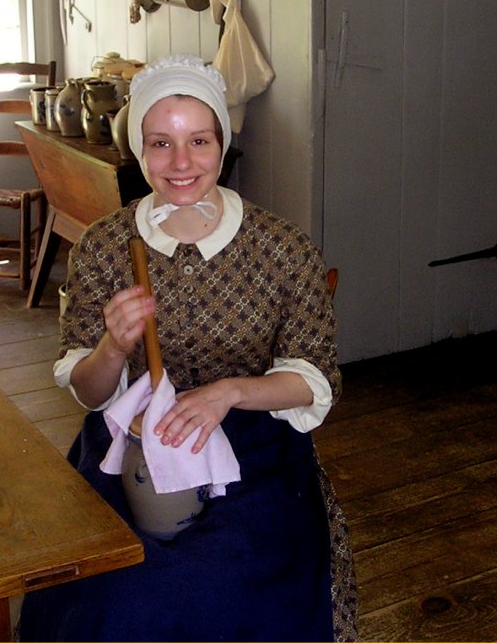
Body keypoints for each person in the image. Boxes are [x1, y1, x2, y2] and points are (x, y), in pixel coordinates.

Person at [19, 54, 357, 642]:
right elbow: (87, 391)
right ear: (139, 150)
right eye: (160, 143)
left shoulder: (281, 248)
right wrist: (110, 348)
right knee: (110, 595)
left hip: (254, 449)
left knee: (211, 585)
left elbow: (313, 378)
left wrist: (227, 393)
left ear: (221, 145)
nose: (180, 163)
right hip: (128, 450)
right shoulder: (106, 247)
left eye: (198, 140)